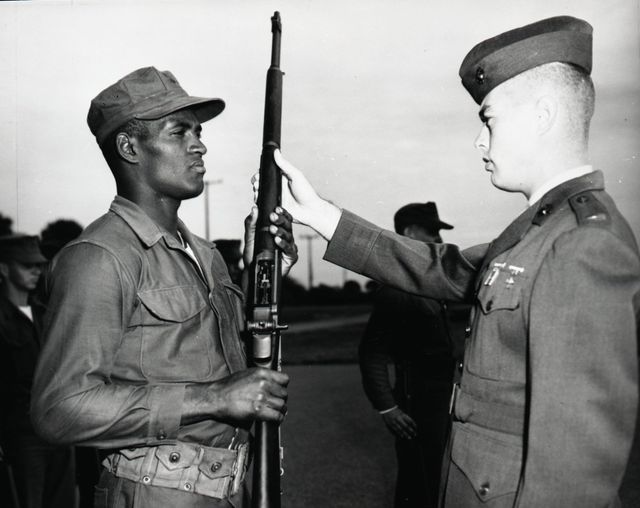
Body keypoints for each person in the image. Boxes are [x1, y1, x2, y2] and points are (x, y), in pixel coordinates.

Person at [268, 15, 640, 507]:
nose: (479, 142)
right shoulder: (537, 231)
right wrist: (323, 216)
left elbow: (574, 470)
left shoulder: (583, 246)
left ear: (543, 114)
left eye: (489, 119)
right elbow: (441, 269)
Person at [31, 66, 297, 508]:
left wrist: (263, 275)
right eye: (179, 132)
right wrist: (212, 399)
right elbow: (60, 408)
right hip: (155, 493)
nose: (200, 144)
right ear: (129, 146)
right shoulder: (100, 257)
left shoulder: (206, 254)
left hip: (229, 487)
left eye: (197, 130)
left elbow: (214, 357)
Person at [358, 202, 463, 508]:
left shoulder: (422, 283)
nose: (438, 241)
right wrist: (388, 408)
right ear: (408, 233)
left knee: (434, 483)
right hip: (417, 403)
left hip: (437, 402)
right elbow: (372, 352)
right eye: (432, 232)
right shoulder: (398, 289)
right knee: (420, 485)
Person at [0, 234, 76, 508]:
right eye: (26, 265)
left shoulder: (46, 313)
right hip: (20, 436)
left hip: (58, 431)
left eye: (38, 265)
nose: (36, 271)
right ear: (4, 268)